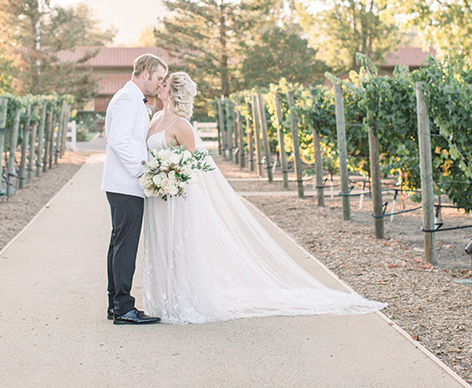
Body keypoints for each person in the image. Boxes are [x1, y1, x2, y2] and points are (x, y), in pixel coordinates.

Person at [141, 72, 386, 324]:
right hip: (158, 194)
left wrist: (170, 174)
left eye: (165, 82)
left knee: (176, 245)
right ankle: (162, 300)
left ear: (173, 92)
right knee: (160, 243)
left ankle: (181, 301)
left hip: (177, 197)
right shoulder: (156, 117)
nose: (160, 84)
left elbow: (191, 165)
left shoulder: (181, 125)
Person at [101, 53, 167, 325]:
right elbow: (118, 142)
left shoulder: (129, 98)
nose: (159, 84)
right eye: (159, 78)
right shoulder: (128, 99)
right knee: (125, 246)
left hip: (121, 184)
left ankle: (116, 304)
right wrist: (143, 171)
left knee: (119, 244)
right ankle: (124, 308)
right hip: (126, 183)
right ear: (144, 72)